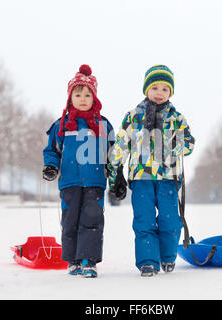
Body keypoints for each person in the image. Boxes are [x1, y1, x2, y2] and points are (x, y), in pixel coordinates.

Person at [108, 65, 195, 277]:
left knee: (171, 221)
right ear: (146, 89)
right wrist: (115, 172)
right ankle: (148, 261)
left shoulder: (177, 119)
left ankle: (167, 256)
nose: (159, 93)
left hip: (168, 178)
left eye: (165, 89)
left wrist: (178, 144)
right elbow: (120, 145)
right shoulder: (133, 117)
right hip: (141, 179)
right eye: (154, 87)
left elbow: (189, 144)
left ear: (170, 93)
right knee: (144, 220)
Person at [43, 65, 114, 278]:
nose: (82, 98)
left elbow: (113, 153)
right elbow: (52, 150)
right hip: (70, 182)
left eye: (87, 94)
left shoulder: (103, 125)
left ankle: (88, 260)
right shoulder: (62, 125)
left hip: (94, 181)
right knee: (70, 220)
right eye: (77, 94)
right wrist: (51, 166)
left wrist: (116, 174)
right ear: (70, 98)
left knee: (91, 220)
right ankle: (73, 260)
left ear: (94, 98)